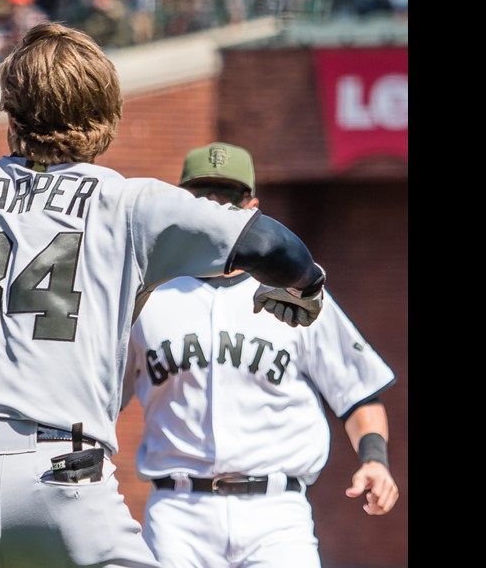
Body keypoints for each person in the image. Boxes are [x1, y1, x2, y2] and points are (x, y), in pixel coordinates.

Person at [0, 22, 329, 568]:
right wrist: (307, 285)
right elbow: (274, 245)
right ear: (106, 115)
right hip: (65, 480)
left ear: (10, 115)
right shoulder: (131, 205)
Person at [122, 141, 399, 568]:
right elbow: (99, 398)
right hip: (178, 513)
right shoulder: (147, 299)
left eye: (228, 196)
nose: (214, 208)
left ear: (251, 206)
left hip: (275, 515)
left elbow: (359, 393)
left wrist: (375, 461)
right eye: (201, 197)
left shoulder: (298, 293)